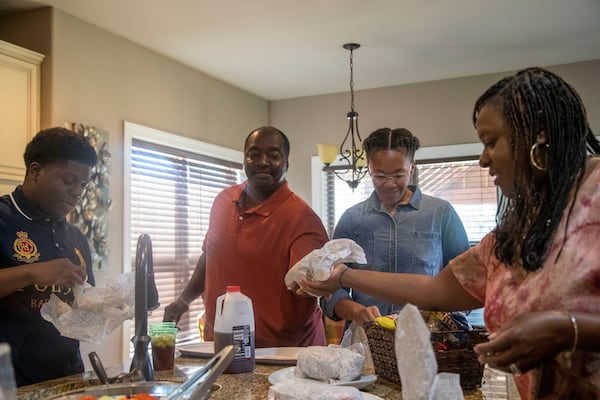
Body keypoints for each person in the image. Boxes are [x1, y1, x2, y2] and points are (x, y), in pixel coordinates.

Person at [302, 67, 600, 399]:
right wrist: (344, 278)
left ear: (537, 136)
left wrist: (567, 330)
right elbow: (434, 290)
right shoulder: (519, 230)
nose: (483, 160)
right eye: (378, 175)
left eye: (491, 142)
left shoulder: (595, 194)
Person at [164, 126, 328, 347]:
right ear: (244, 161)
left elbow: (310, 279)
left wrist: (314, 282)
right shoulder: (222, 201)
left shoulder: (302, 218)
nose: (262, 161)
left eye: (273, 155)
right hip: (222, 345)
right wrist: (183, 300)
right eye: (254, 154)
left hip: (282, 354)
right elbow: (209, 257)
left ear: (286, 164)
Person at [321, 127, 470, 329]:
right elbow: (331, 288)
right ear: (369, 170)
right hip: (366, 339)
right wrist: (356, 311)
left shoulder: (441, 213)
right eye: (380, 176)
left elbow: (466, 282)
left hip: (427, 339)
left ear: (412, 168)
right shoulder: (352, 219)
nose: (389, 184)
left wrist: (444, 317)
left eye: (399, 175)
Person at [0, 127, 97, 386]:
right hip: (10, 383)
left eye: (83, 184)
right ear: (35, 171)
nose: (78, 191)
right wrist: (31, 272)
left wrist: (108, 306)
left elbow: (81, 307)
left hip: (68, 379)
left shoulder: (75, 236)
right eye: (68, 180)